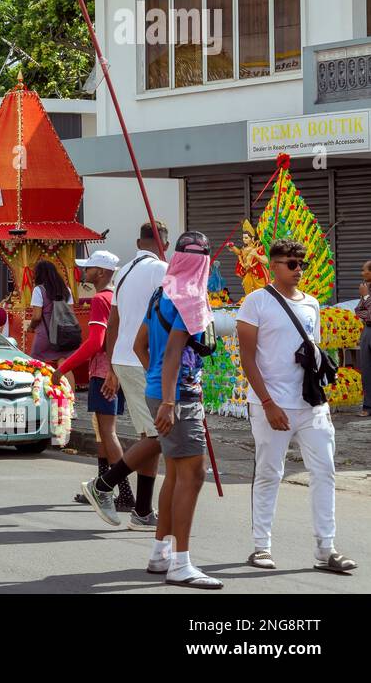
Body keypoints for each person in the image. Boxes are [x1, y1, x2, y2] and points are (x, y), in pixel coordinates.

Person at [237, 239, 358, 574]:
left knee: (324, 472)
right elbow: (248, 358)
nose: (298, 270)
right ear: (273, 265)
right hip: (270, 404)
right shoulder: (255, 302)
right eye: (291, 264)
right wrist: (267, 402)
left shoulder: (312, 304)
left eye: (301, 263)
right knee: (269, 472)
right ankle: (261, 547)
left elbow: (311, 352)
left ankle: (326, 549)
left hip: (311, 404)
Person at [132, 230, 218, 589]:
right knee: (193, 475)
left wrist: (158, 387)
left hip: (162, 391)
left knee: (176, 474)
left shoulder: (162, 291)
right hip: (177, 396)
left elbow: (140, 345)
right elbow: (171, 354)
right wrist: (169, 400)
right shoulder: (191, 296)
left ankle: (160, 552)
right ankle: (181, 563)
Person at [82, 220, 169, 531]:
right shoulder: (162, 269)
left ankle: (143, 510)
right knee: (161, 435)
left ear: (138, 242)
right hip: (143, 359)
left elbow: (114, 322)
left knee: (150, 435)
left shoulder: (125, 273)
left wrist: (112, 364)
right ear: (165, 246)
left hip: (124, 358)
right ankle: (104, 484)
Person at [55, 251, 135, 511]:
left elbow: (95, 342)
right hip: (114, 371)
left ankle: (124, 493)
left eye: (89, 268)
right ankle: (104, 488)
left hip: (103, 372)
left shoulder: (101, 299)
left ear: (100, 273)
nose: (84, 271)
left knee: (108, 432)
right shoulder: (117, 298)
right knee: (102, 432)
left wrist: (64, 368)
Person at [23, 260, 74, 366]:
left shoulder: (39, 290)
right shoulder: (66, 290)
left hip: (45, 334)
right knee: (63, 364)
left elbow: (37, 316)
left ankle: (39, 382)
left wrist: (31, 327)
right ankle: (70, 384)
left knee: (35, 363)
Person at [355, 260, 371, 418]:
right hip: (367, 331)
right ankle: (368, 405)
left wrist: (366, 296)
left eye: (364, 270)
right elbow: (358, 310)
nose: (362, 273)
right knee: (366, 370)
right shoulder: (366, 288)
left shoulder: (366, 291)